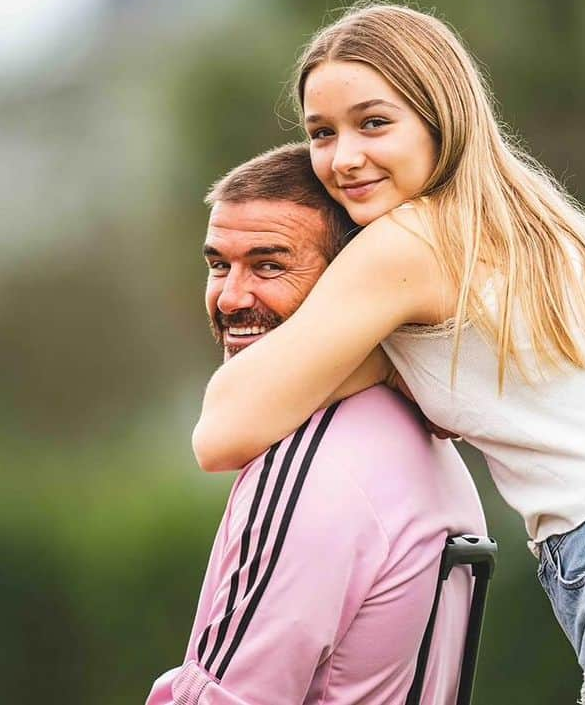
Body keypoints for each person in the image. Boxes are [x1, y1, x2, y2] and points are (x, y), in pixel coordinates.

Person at [192, 3, 585, 704]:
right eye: (322, 132)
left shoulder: (412, 239)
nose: (344, 158)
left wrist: (358, 355)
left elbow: (223, 430)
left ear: (441, 117)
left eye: (374, 122)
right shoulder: (530, 225)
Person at [147, 143, 487, 704]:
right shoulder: (419, 437)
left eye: (269, 265)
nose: (230, 298)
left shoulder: (312, 464)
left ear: (348, 282)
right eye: (217, 265)